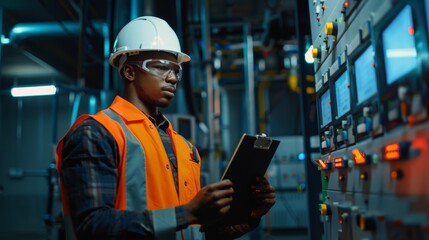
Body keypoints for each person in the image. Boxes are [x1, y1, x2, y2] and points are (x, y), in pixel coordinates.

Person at [56, 16, 276, 240]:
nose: (172, 78)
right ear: (129, 72)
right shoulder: (97, 133)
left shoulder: (184, 147)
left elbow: (195, 231)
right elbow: (91, 226)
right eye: (160, 67)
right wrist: (187, 213)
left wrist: (249, 215)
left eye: (175, 70)